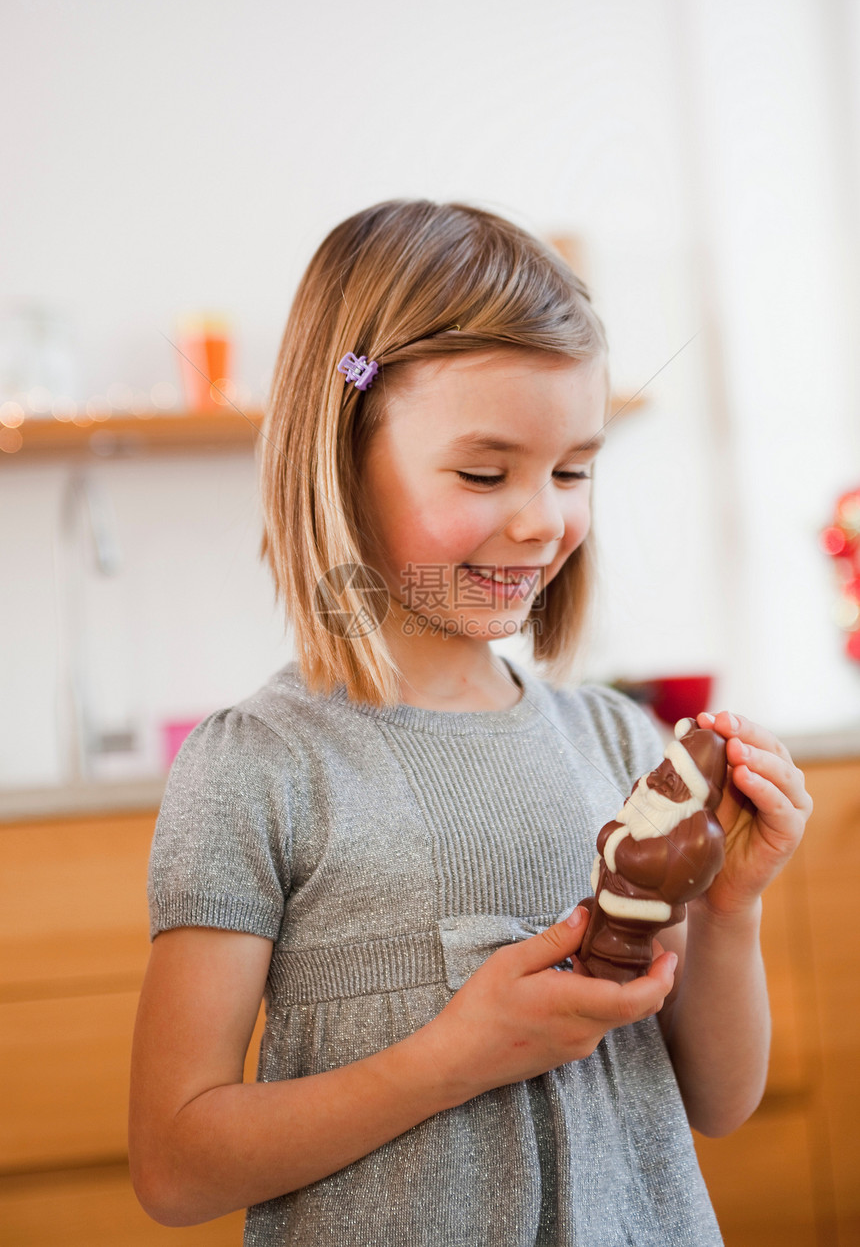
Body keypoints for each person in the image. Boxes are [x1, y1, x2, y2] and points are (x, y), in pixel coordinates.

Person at [128, 199, 812, 1247]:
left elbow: (715, 1103)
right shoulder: (259, 768)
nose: (541, 518)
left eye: (571, 469)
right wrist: (456, 1054)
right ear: (343, 449)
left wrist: (731, 907)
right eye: (483, 473)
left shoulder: (618, 747)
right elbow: (175, 1166)